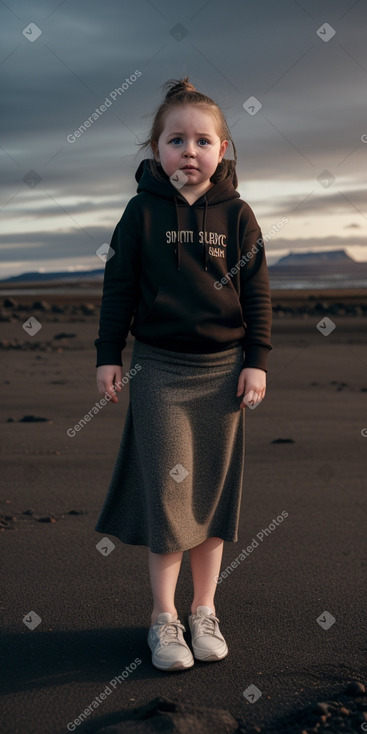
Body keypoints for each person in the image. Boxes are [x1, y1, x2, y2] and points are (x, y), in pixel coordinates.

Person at [94, 76, 273, 672]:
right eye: (176, 140)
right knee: (171, 500)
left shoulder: (239, 214)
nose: (189, 151)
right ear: (157, 151)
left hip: (224, 373)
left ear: (223, 151)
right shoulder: (141, 212)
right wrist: (107, 355)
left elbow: (258, 295)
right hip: (160, 371)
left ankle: (204, 610)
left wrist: (257, 362)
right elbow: (117, 287)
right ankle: (162, 618)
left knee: (213, 498)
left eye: (202, 140)